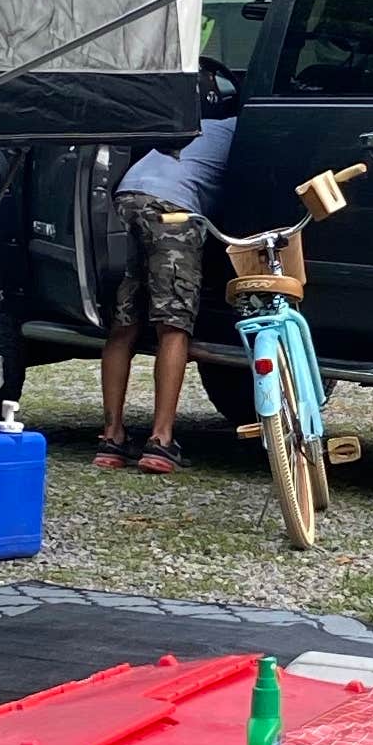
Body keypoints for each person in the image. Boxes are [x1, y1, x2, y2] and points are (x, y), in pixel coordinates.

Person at [96, 62, 241, 473]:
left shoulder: (191, 128)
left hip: (128, 195)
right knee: (172, 326)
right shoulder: (240, 131)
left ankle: (112, 437)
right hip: (172, 212)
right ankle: (160, 441)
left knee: (124, 325)